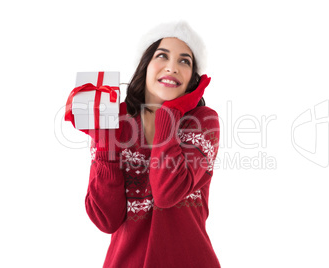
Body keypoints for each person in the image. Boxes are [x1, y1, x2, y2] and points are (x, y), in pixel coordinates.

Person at [68, 21, 221, 267]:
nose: (172, 67)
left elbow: (166, 193)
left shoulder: (203, 121)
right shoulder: (114, 121)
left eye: (185, 61)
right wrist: (105, 141)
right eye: (162, 56)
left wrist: (170, 113)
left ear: (193, 78)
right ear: (146, 65)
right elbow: (106, 220)